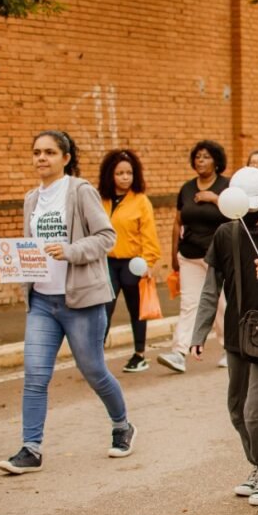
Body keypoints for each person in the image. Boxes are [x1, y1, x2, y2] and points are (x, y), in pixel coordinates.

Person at [0, 131, 133, 475]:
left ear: (66, 157)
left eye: (50, 152)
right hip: (42, 299)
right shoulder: (31, 198)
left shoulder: (79, 191)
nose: (42, 158)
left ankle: (122, 426)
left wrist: (70, 251)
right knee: (35, 375)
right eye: (37, 152)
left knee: (93, 370)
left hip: (81, 300)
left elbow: (106, 237)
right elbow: (32, 247)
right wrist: (10, 257)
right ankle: (31, 448)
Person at [191, 167, 258, 507]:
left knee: (256, 408)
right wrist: (199, 332)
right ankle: (256, 465)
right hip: (236, 334)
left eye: (255, 203)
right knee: (236, 408)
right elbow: (210, 289)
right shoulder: (225, 234)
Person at [157, 140, 229, 373]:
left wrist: (214, 198)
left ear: (216, 162)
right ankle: (179, 352)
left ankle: (229, 350)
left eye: (206, 157)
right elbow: (179, 221)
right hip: (189, 255)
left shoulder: (226, 186)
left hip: (218, 256)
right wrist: (174, 253)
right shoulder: (187, 188)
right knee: (189, 304)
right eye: (197, 157)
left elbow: (236, 214)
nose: (200, 160)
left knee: (222, 305)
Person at [98, 149, 161, 373]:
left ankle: (139, 354)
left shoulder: (141, 201)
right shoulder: (101, 200)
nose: (125, 177)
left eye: (129, 173)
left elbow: (149, 235)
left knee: (137, 310)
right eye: (120, 173)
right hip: (107, 263)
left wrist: (148, 263)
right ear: (110, 175)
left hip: (133, 263)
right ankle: (96, 355)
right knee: (103, 309)